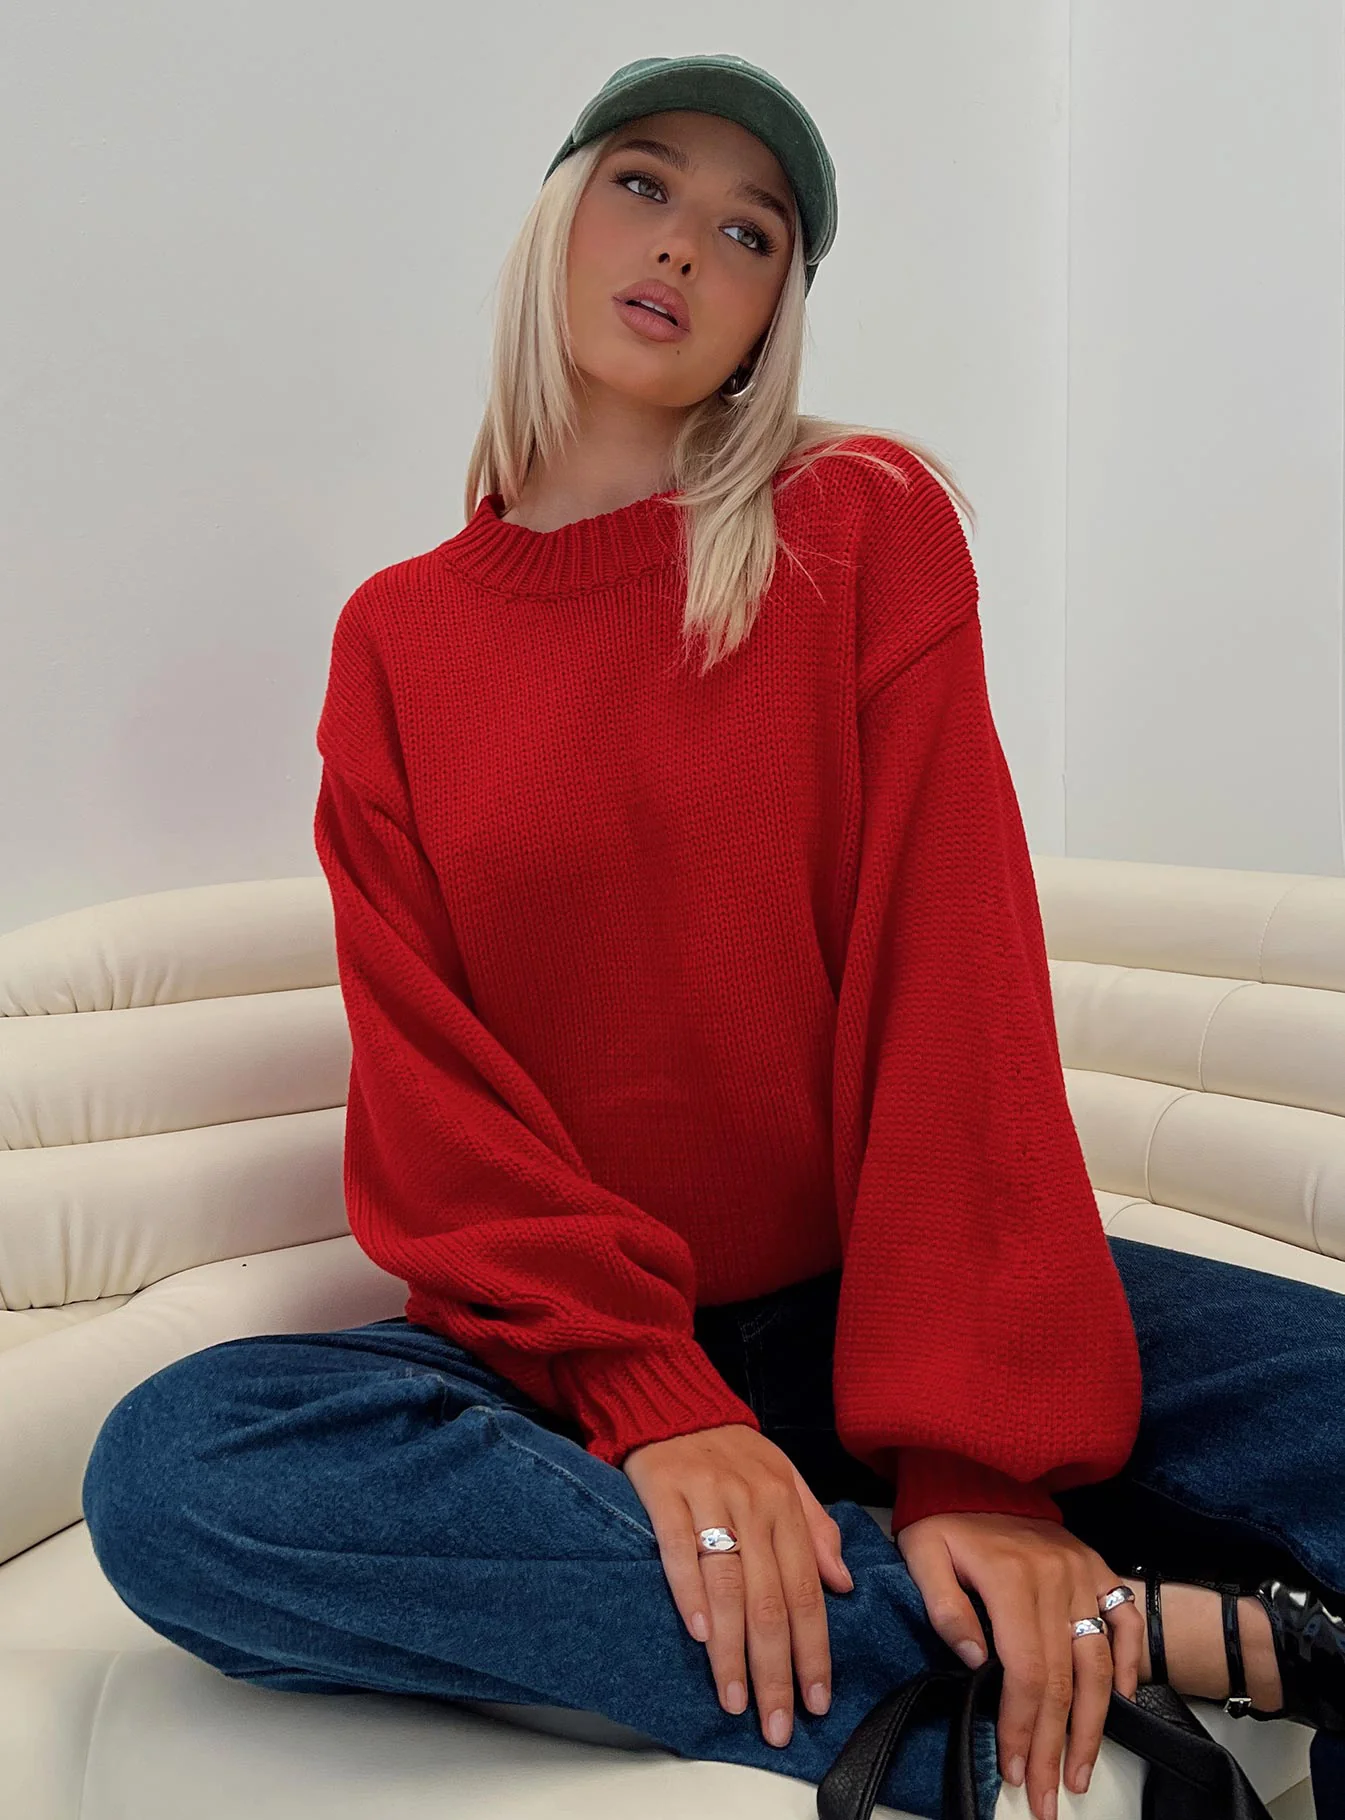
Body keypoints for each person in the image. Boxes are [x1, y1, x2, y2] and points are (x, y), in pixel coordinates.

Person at [80, 54, 1345, 1820]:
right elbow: (436, 1096)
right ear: (558, 218)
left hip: (888, 1300)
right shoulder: (396, 642)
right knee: (181, 1475)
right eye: (644, 183)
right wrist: (653, 1394)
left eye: (750, 232)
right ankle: (1101, 1648)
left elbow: (951, 975)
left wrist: (979, 1463)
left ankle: (970, 1601)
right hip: (569, 1362)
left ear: (773, 315)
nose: (683, 244)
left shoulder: (861, 526)